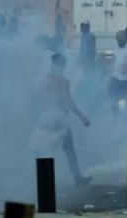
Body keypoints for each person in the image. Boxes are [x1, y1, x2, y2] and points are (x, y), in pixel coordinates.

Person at [31, 54, 93, 187]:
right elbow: (68, 102)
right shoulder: (62, 82)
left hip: (47, 116)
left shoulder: (45, 80)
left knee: (44, 147)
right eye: (61, 64)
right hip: (56, 116)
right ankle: (75, 178)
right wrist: (82, 117)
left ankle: (40, 176)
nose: (62, 68)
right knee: (65, 147)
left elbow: (38, 99)